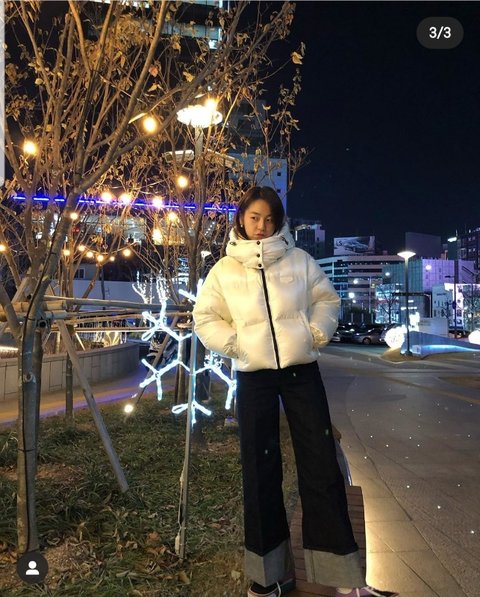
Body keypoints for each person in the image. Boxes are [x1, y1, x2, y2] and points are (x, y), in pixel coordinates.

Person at [193, 187, 399, 597]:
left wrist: (314, 333)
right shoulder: (224, 271)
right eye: (254, 217)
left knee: (321, 466)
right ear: (241, 217)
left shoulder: (299, 260)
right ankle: (265, 579)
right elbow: (205, 317)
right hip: (254, 376)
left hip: (301, 372)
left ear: (279, 222)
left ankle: (346, 580)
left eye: (269, 219)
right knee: (259, 471)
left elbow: (327, 300)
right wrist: (237, 346)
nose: (261, 226)